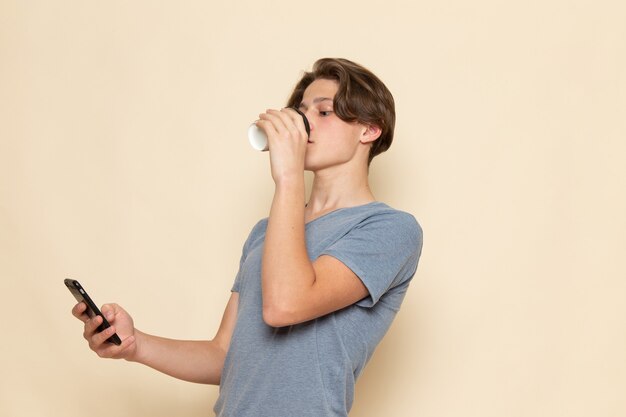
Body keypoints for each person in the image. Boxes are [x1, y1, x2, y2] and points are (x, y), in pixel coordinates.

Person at [72, 57, 423, 417]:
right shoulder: (267, 231)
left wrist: (287, 177)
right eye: (300, 111)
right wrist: (133, 344)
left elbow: (285, 305)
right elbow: (225, 354)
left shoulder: (389, 229)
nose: (303, 124)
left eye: (324, 112)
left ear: (369, 130)